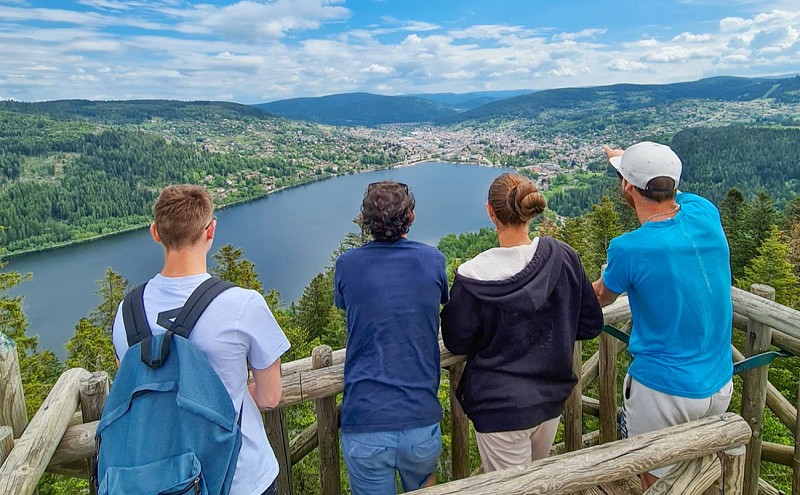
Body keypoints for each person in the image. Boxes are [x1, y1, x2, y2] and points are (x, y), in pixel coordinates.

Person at [111, 184, 290, 495]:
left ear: (155, 233)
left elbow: (131, 391)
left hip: (159, 481)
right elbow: (270, 396)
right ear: (211, 230)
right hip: (240, 478)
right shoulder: (242, 305)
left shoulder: (126, 312)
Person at [592, 142, 734, 489]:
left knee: (655, 482)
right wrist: (626, 163)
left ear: (628, 186)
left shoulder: (629, 248)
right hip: (718, 382)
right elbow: (669, 192)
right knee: (697, 477)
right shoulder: (704, 212)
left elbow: (599, 298)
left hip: (663, 391)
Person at [441, 172, 603, 473]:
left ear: (491, 212)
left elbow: (456, 339)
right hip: (550, 397)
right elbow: (590, 323)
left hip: (498, 407)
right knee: (535, 480)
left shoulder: (473, 275)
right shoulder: (563, 257)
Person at [334, 181, 448, 495]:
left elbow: (348, 305)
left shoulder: (347, 265)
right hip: (420, 416)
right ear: (410, 216)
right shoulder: (433, 260)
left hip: (364, 418)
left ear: (365, 221)